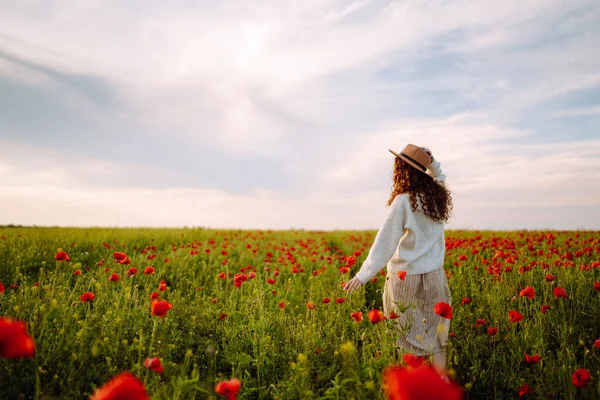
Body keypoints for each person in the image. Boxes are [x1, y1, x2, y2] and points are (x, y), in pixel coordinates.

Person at [343, 143, 453, 376]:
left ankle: (415, 386)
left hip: (405, 277)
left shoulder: (403, 200)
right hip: (434, 274)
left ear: (403, 169)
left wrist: (363, 275)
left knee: (408, 334)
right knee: (437, 332)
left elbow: (385, 243)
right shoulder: (439, 196)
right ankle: (440, 382)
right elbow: (440, 176)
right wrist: (432, 163)